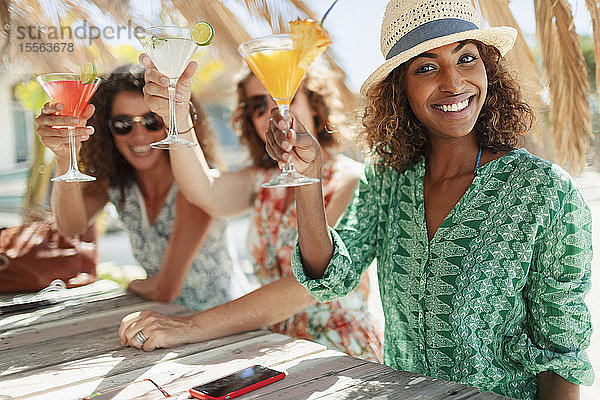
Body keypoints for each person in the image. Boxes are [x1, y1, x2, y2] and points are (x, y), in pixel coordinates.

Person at [264, 1, 594, 399]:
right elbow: (331, 276)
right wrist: (307, 176)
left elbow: (562, 358)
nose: (453, 83)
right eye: (426, 67)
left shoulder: (545, 192)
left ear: (488, 68)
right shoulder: (388, 176)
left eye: (466, 58)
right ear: (400, 88)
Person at [118, 56, 383, 362]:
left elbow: (306, 287)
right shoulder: (262, 180)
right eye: (259, 105)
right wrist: (177, 115)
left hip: (341, 357)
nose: (275, 112)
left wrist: (187, 326)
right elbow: (202, 191)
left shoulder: (349, 178)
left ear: (314, 105)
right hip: (273, 350)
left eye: (285, 97)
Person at [35, 64, 249, 311]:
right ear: (107, 130)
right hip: (163, 326)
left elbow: (165, 289)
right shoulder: (119, 184)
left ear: (169, 121)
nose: (138, 136)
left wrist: (130, 284)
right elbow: (70, 226)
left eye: (151, 122)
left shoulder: (197, 186)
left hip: (226, 326)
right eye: (123, 124)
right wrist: (64, 157)